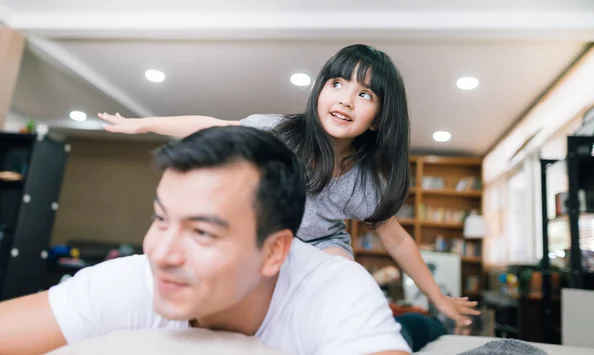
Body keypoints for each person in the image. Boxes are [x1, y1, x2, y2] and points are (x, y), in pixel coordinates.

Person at [98, 44, 479, 327]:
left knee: (345, 273)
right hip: (266, 236)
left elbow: (398, 240)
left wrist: (438, 298)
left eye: (364, 94)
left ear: (378, 120)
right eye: (337, 83)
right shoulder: (279, 132)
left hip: (320, 245)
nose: (346, 99)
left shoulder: (364, 182)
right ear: (320, 91)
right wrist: (144, 124)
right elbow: (212, 125)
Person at [0, 126, 411, 355]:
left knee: (416, 326)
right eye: (160, 219)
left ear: (273, 251)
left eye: (201, 232)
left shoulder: (337, 289)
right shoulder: (132, 280)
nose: (161, 254)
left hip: (396, 326)